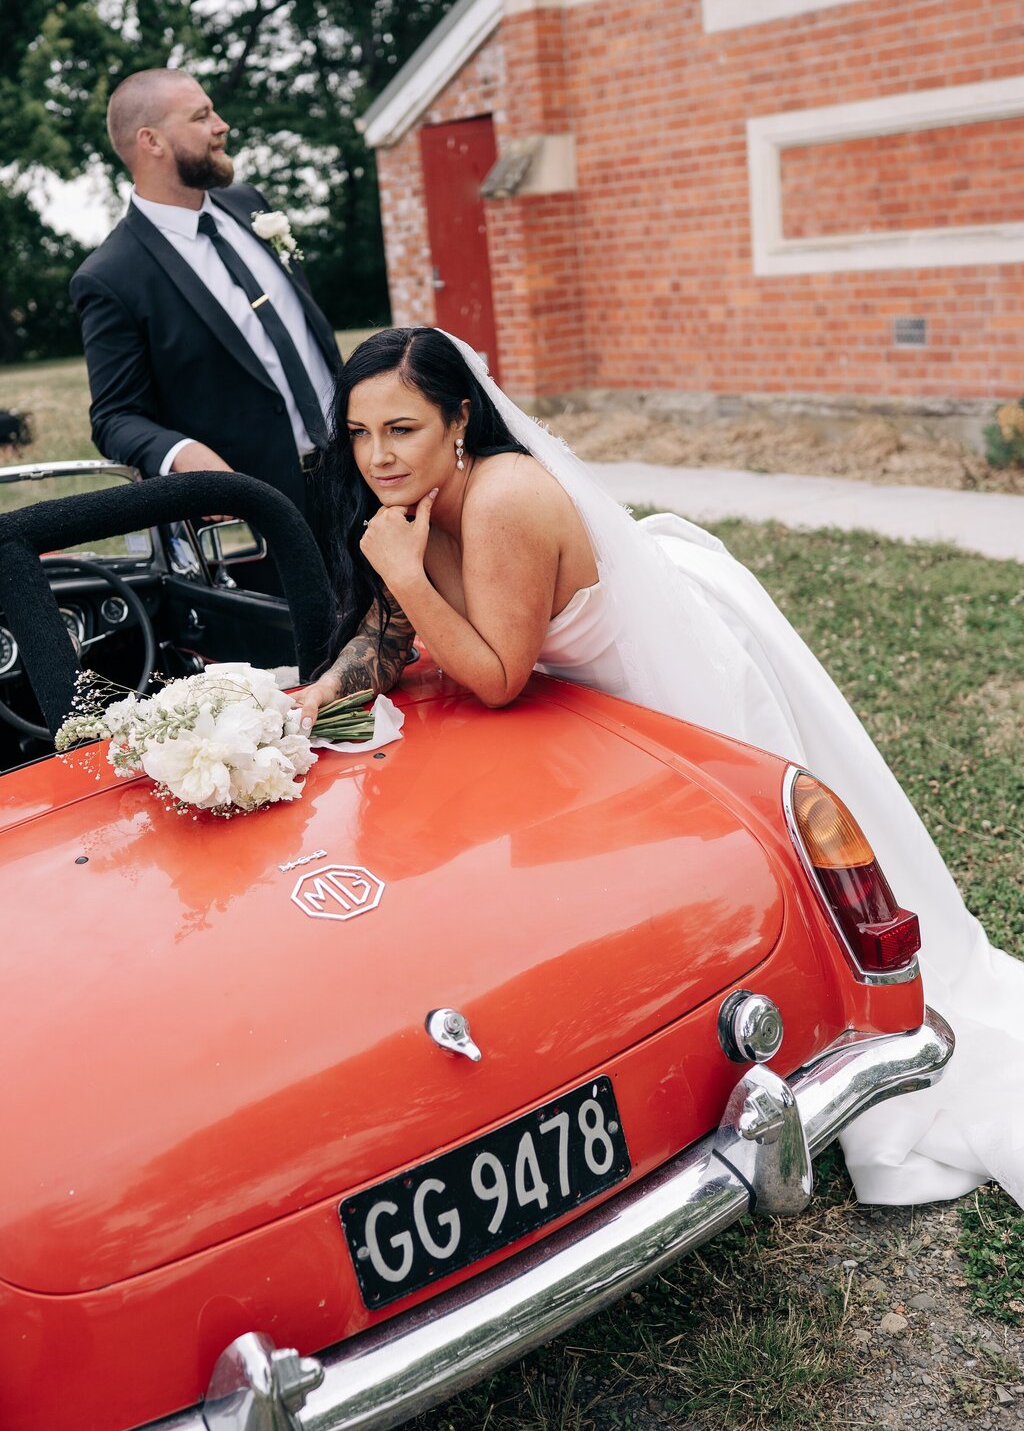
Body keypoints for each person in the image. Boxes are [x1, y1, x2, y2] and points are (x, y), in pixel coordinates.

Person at [293, 325, 1024, 1210]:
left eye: (401, 429)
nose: (376, 455)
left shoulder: (501, 499)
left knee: (761, 852)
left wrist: (405, 575)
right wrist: (314, 695)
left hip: (663, 673)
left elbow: (493, 678)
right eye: (360, 433)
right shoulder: (412, 508)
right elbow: (390, 634)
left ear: (457, 421)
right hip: (579, 702)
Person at [70, 68, 341, 533]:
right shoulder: (111, 275)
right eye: (201, 116)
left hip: (352, 482)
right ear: (152, 141)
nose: (222, 125)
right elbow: (115, 417)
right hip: (258, 516)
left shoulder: (248, 204)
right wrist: (179, 453)